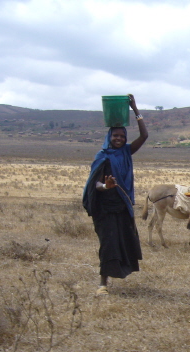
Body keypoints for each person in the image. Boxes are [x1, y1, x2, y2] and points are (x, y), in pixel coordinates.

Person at [83, 94, 148, 295]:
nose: (119, 139)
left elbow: (144, 136)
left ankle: (117, 274)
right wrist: (107, 186)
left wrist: (135, 109)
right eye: (115, 136)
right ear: (109, 137)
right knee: (108, 244)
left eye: (122, 136)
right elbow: (95, 184)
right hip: (105, 209)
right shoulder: (102, 156)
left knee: (123, 241)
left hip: (122, 207)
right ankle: (102, 284)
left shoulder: (126, 152)